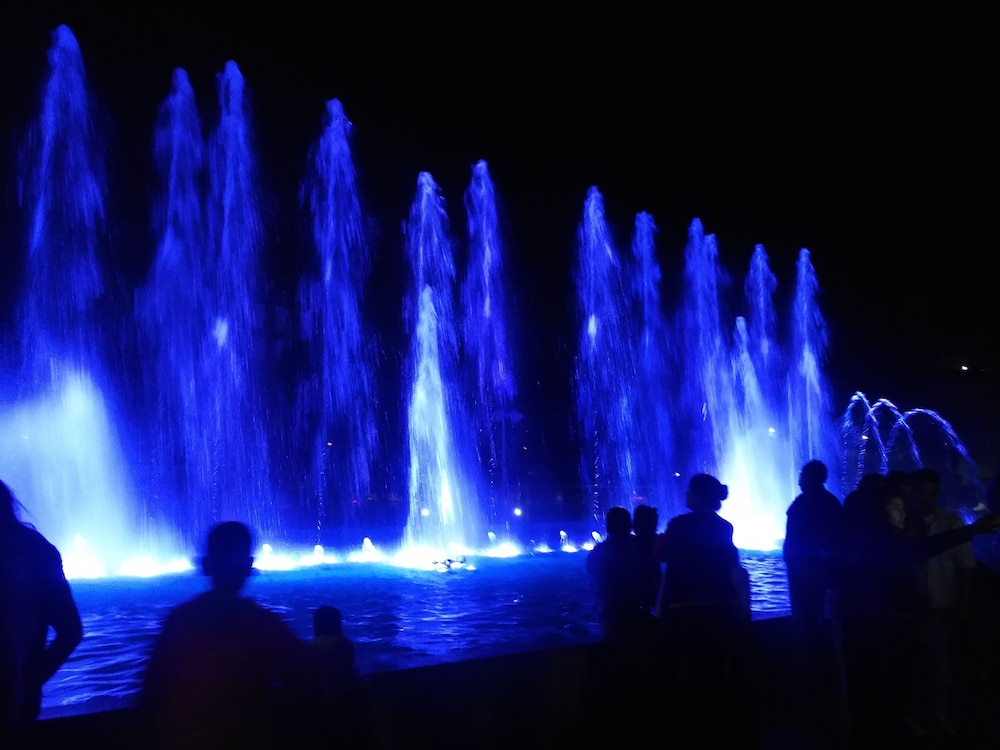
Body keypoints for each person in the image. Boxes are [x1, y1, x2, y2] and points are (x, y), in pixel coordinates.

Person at [139, 521, 321, 749]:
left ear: (205, 565)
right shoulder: (261, 624)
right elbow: (306, 676)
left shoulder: (180, 621)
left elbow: (152, 689)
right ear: (249, 566)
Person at [0, 480, 83, 748]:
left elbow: (71, 631)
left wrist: (28, 682)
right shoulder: (38, 551)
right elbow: (71, 630)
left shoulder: (37, 553)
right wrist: (31, 681)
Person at [585, 506, 646, 642]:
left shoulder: (596, 552)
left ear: (607, 527)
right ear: (628, 526)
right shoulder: (627, 552)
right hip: (624, 619)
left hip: (604, 617)